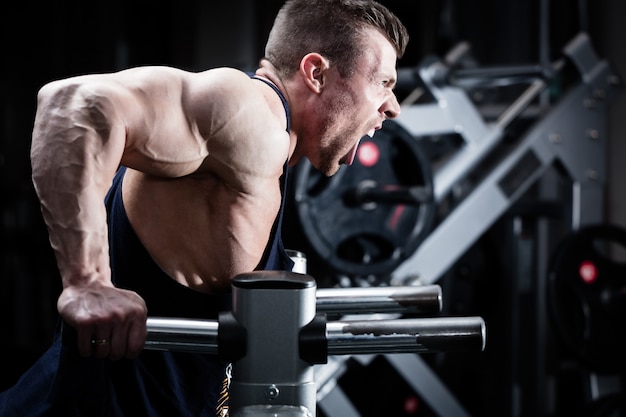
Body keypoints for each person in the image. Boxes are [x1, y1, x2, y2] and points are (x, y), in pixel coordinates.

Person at [0, 0, 408, 415]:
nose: (392, 107)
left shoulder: (270, 151)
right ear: (316, 73)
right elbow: (71, 102)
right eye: (383, 83)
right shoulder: (250, 113)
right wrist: (87, 283)